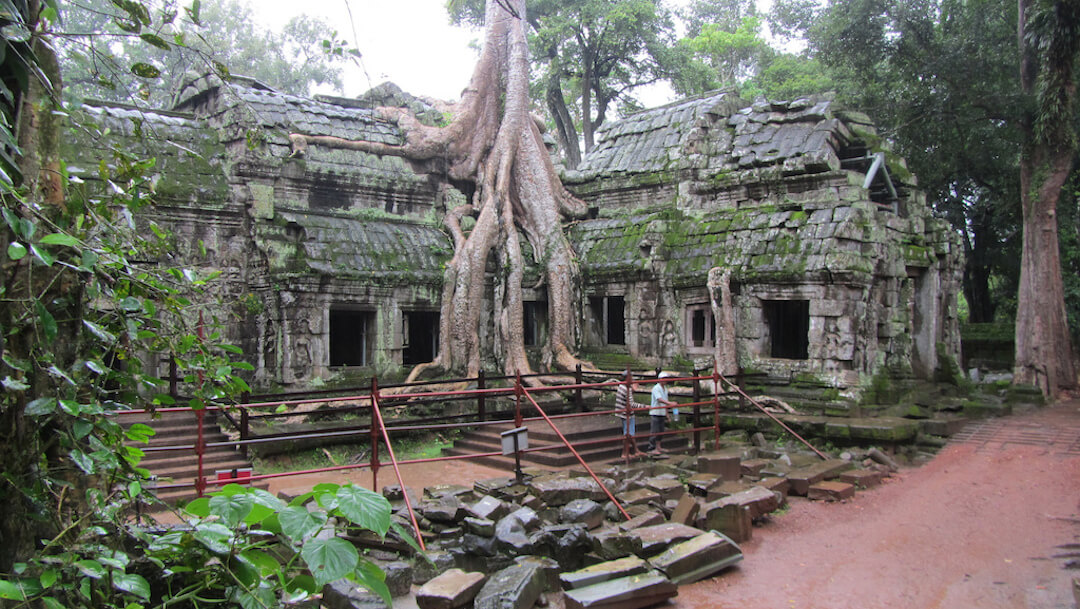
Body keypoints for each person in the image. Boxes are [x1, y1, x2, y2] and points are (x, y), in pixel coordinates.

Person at [648, 371, 677, 454]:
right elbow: (659, 399)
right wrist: (670, 403)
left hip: (662, 412)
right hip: (655, 412)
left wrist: (667, 414)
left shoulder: (665, 389)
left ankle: (658, 446)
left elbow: (665, 401)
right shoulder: (656, 388)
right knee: (654, 430)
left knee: (661, 430)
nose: (665, 380)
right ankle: (651, 447)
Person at [614, 379, 644, 458]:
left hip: (622, 412)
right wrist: (644, 406)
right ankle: (624, 453)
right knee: (628, 434)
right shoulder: (627, 389)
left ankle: (636, 450)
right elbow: (631, 404)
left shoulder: (621, 386)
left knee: (630, 433)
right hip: (626, 414)